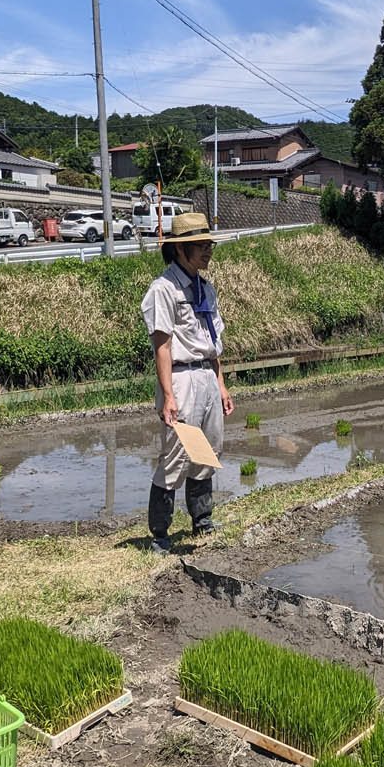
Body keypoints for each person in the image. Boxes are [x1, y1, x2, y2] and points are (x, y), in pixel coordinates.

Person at [140, 212, 232, 553]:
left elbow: (213, 341)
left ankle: (202, 520)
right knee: (176, 454)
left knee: (207, 451)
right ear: (181, 249)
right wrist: (168, 396)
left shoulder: (205, 287)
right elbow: (162, 347)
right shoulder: (162, 289)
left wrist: (221, 385)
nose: (208, 251)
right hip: (180, 379)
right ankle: (160, 534)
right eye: (201, 245)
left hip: (207, 374)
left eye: (209, 244)